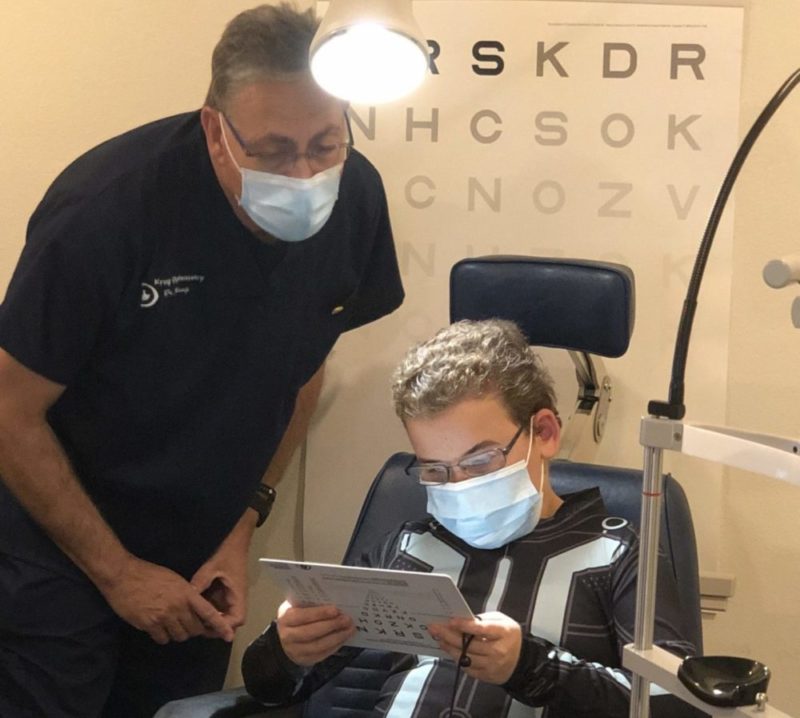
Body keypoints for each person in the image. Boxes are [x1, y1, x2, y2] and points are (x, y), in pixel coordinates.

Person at [0, 4, 403, 717]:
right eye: (276, 150)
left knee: (180, 709)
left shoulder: (357, 199)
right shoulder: (108, 211)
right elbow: (8, 409)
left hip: (199, 550)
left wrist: (243, 521)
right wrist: (118, 573)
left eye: (325, 143)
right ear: (216, 128)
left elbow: (305, 365)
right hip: (56, 540)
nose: (305, 172)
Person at [240, 319, 699, 718]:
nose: (458, 486)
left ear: (544, 432)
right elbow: (274, 689)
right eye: (436, 471)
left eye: (480, 462)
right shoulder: (408, 551)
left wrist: (531, 666)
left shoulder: (617, 557)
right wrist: (284, 650)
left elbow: (679, 703)